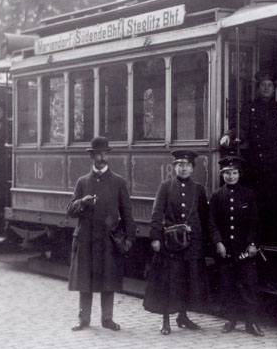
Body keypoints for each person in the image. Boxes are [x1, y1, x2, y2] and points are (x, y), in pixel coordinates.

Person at [66, 136, 136, 331]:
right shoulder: (82, 182)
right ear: (92, 156)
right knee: (84, 281)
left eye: (105, 153)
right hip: (86, 239)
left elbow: (127, 212)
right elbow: (70, 210)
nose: (102, 157)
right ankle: (84, 319)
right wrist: (82, 202)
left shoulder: (118, 182)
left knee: (109, 280)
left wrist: (130, 238)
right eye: (98, 153)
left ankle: (107, 319)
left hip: (108, 239)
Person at [219, 71, 277, 246]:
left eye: (270, 85)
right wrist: (228, 135)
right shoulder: (250, 109)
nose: (266, 88)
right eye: (263, 85)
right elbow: (242, 130)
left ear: (274, 88)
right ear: (258, 88)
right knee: (259, 206)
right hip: (259, 167)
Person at [143, 150, 210, 335]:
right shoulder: (165, 187)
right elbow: (157, 214)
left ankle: (183, 316)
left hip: (191, 243)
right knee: (169, 282)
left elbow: (205, 217)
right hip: (170, 243)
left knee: (187, 280)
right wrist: (156, 237)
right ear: (174, 167)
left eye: (187, 165)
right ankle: (166, 320)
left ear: (192, 168)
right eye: (180, 165)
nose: (184, 168)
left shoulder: (198, 189)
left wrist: (207, 242)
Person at [209, 155, 264, 337]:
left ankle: (251, 322)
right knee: (227, 285)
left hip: (244, 250)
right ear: (222, 175)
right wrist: (218, 242)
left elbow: (255, 222)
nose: (230, 176)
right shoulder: (217, 196)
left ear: (239, 174)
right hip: (225, 249)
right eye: (227, 173)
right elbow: (212, 223)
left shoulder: (248, 194)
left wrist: (253, 244)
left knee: (248, 285)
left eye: (234, 173)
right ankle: (230, 320)